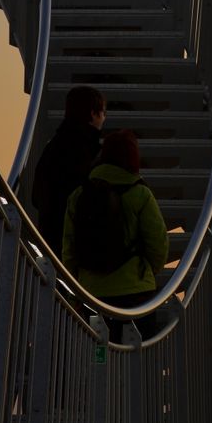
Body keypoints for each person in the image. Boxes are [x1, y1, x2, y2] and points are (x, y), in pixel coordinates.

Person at [62, 130, 169, 340]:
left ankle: (100, 369)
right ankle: (137, 373)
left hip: (93, 293)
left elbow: (69, 248)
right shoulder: (140, 194)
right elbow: (158, 244)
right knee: (139, 355)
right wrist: (147, 272)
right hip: (136, 294)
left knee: (99, 351)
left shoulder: (79, 195)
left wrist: (77, 282)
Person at [32, 85, 106, 254]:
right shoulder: (88, 153)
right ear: (93, 114)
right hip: (78, 244)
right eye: (103, 113)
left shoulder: (53, 147)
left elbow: (35, 197)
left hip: (50, 240)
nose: (104, 118)